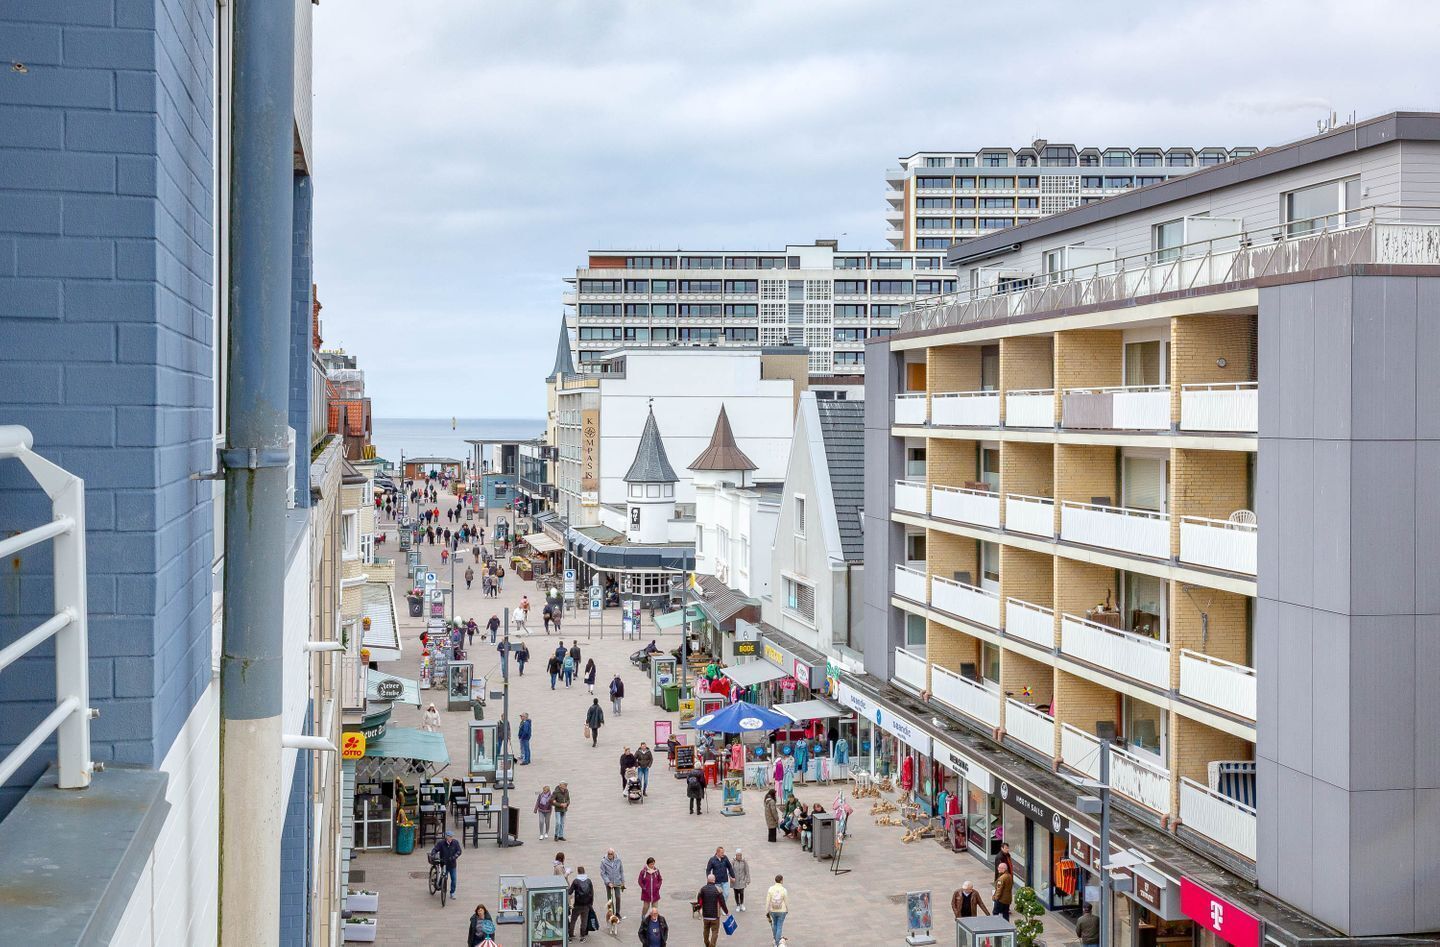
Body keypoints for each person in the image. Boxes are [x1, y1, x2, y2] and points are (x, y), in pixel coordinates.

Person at [694, 873, 729, 947]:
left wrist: (698, 910)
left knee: (706, 930)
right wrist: (726, 912)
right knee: (715, 932)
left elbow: (699, 902)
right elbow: (722, 903)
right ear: (714, 880)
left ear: (707, 880)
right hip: (715, 916)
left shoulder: (702, 889)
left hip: (706, 915)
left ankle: (706, 942)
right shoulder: (718, 890)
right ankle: (712, 945)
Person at [429, 830, 461, 898]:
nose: (451, 838)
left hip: (452, 864)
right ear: (446, 837)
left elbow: (459, 851)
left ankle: (452, 892)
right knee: (443, 877)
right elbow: (435, 849)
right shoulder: (441, 843)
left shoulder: (455, 843)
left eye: (452, 837)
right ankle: (440, 886)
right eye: (449, 837)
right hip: (443, 863)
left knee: (454, 879)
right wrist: (433, 854)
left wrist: (455, 856)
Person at [569, 866, 597, 942]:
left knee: (573, 920)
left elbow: (570, 892)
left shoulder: (575, 881)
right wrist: (590, 904)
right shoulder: (588, 881)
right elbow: (592, 893)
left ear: (578, 872)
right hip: (586, 905)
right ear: (584, 871)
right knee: (584, 921)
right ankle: (582, 936)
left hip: (577, 904)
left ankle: (570, 936)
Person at [600, 848, 626, 920]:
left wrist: (623, 881)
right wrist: (608, 882)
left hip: (617, 882)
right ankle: (611, 913)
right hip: (609, 883)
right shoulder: (603, 861)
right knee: (610, 899)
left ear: (614, 854)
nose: (610, 855)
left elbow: (621, 871)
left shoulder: (618, 860)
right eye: (609, 854)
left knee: (618, 897)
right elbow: (603, 873)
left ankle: (617, 913)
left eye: (611, 854)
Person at [765, 875, 788, 946]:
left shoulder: (770, 889)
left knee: (774, 924)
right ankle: (778, 943)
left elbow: (767, 901)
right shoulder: (784, 890)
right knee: (779, 926)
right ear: (781, 880)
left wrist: (767, 911)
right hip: (782, 910)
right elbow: (786, 901)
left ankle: (775, 941)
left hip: (773, 910)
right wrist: (787, 909)